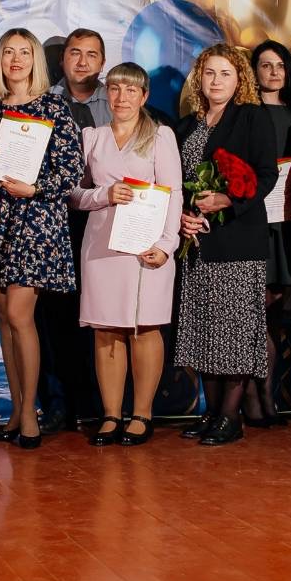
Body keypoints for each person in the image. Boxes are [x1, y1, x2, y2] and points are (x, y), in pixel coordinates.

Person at [0, 28, 85, 448]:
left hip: (38, 221)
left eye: (24, 52)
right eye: (9, 52)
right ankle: (16, 408)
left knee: (20, 315)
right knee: (4, 318)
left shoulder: (53, 107)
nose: (16, 59)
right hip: (1, 220)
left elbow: (72, 170)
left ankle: (29, 413)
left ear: (35, 60)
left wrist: (36, 188)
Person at [172, 44, 280, 446]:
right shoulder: (186, 126)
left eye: (225, 74)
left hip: (238, 240)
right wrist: (182, 216)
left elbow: (266, 175)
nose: (216, 81)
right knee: (203, 331)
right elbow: (178, 182)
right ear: (199, 78)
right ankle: (211, 412)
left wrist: (228, 201)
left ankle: (230, 417)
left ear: (240, 80)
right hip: (197, 244)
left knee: (233, 333)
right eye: (210, 73)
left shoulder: (252, 117)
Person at [69, 63, 181, 446]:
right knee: (106, 330)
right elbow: (74, 194)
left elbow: (173, 193)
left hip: (146, 247)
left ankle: (142, 413)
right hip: (101, 247)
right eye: (115, 89)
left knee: (144, 328)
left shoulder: (160, 136)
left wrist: (166, 245)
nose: (122, 97)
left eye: (131, 90)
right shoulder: (92, 137)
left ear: (144, 96)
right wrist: (104, 195)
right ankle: (111, 414)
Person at [39, 27, 111, 431]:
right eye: (75, 53)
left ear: (103, 62)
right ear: (62, 58)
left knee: (100, 313)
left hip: (102, 221)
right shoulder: (43, 102)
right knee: (54, 315)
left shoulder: (116, 101)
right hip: (54, 220)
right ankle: (58, 403)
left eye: (91, 54)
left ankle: (102, 404)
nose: (82, 62)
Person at [248, 39, 291, 426]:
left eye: (279, 65)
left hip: (288, 223)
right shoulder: (244, 114)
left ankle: (265, 393)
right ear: (253, 72)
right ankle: (256, 396)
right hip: (255, 221)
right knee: (253, 311)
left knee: (275, 312)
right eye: (265, 65)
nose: (273, 72)